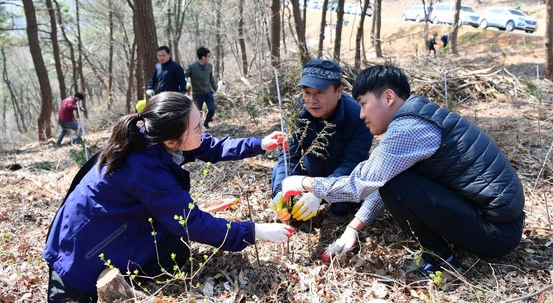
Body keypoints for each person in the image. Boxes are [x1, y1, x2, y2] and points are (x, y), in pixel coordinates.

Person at [280, 64, 525, 278]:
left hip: (495, 233)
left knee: (394, 183)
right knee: (394, 180)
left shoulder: (409, 128)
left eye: (364, 104)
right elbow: (382, 182)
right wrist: (352, 229)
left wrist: (306, 184)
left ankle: (440, 261)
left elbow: (362, 185)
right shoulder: (419, 116)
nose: (362, 115)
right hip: (501, 224)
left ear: (388, 97)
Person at [44, 92, 292, 302]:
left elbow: (210, 145)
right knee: (175, 244)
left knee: (175, 246)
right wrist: (256, 231)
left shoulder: (153, 136)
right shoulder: (144, 168)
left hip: (105, 230)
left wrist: (259, 144)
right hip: (81, 254)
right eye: (197, 127)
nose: (203, 130)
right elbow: (191, 222)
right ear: (172, 141)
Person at [270, 59, 373, 221]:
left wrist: (320, 193)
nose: (312, 100)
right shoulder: (296, 112)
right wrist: (281, 191)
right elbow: (289, 158)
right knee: (279, 173)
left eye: (319, 92)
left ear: (339, 91)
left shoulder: (358, 116)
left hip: (342, 178)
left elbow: (353, 162)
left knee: (342, 209)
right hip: (309, 174)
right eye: (307, 92)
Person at [186, 47, 217, 129]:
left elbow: (211, 78)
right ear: (203, 57)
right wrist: (186, 84)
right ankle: (196, 127)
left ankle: (206, 123)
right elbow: (184, 76)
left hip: (208, 92)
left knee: (212, 109)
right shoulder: (192, 67)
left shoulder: (209, 66)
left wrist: (215, 88)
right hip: (197, 94)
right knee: (196, 112)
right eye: (208, 56)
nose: (209, 58)